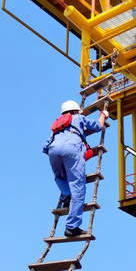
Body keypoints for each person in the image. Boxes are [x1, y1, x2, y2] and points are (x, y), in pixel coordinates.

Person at [43, 100, 107, 237]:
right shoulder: (78, 118)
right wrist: (103, 115)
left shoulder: (57, 127)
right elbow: (98, 126)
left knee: (60, 177)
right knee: (78, 187)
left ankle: (66, 194)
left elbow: (45, 147)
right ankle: (71, 227)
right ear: (75, 111)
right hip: (71, 148)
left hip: (53, 151)